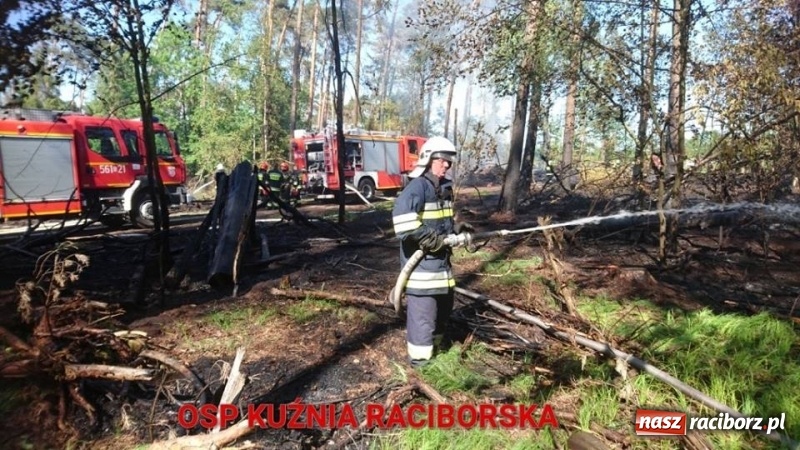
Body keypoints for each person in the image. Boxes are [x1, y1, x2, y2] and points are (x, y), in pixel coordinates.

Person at [391, 136, 472, 368]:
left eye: (450, 162)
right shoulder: (417, 187)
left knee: (442, 315)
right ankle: (421, 367)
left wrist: (456, 229)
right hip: (422, 271)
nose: (447, 165)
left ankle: (435, 356)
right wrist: (430, 239)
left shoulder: (443, 188)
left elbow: (438, 225)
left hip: (442, 272)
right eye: (442, 160)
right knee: (423, 321)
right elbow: (404, 223)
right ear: (428, 159)